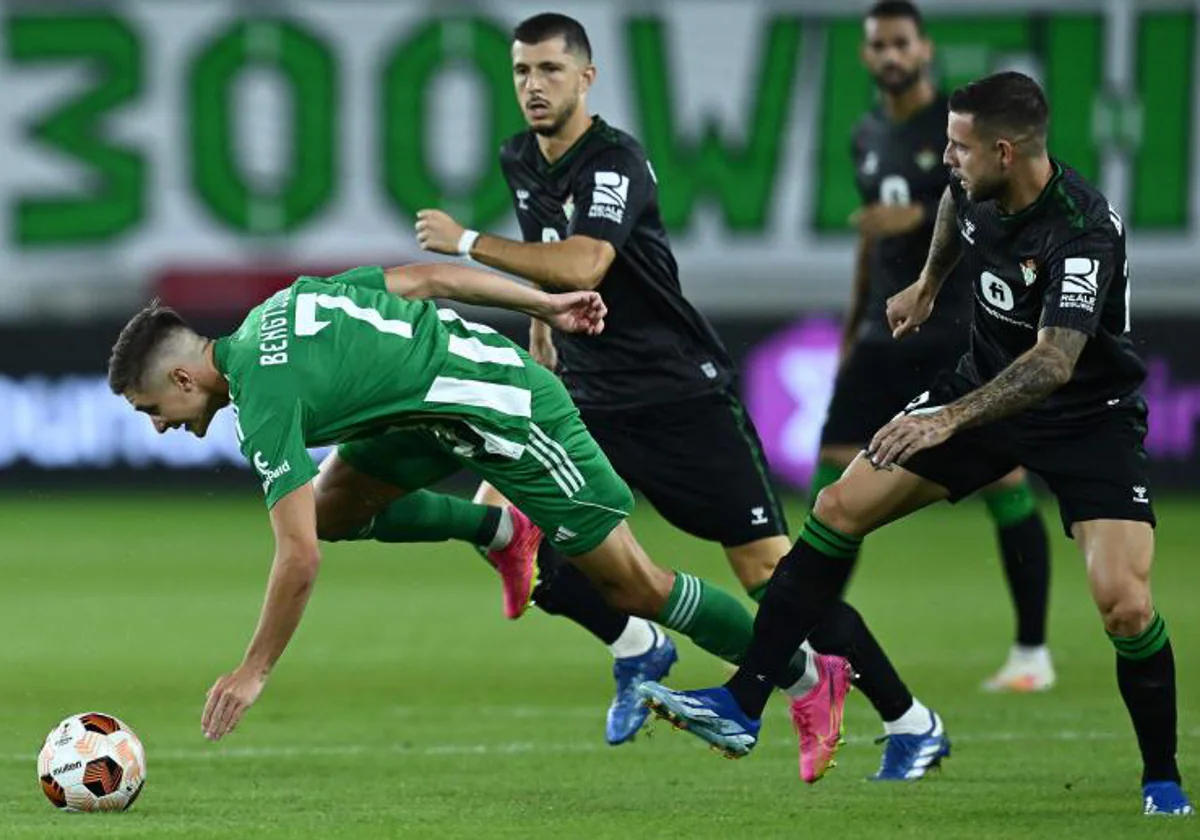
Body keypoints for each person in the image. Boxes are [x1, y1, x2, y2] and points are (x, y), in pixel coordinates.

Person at [637, 71, 1194, 816]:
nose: (946, 158)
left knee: (1123, 607)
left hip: (1086, 418)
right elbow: (951, 206)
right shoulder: (974, 185)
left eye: (960, 147)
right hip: (982, 390)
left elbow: (1054, 362)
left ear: (1005, 150)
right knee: (837, 507)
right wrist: (930, 282)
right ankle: (743, 704)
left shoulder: (1082, 229)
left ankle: (1162, 777)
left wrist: (949, 418)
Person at [410, 11, 945, 782]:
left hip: (678, 397)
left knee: (773, 576)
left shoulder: (615, 161)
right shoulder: (519, 156)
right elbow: (546, 276)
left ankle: (909, 720)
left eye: (550, 71)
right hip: (587, 401)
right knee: (508, 528)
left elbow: (585, 262)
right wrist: (541, 346)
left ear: (586, 78)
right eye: (522, 71)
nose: (533, 85)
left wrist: (465, 243)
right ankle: (635, 645)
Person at [106, 263, 768, 742]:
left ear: (184, 376)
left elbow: (298, 558)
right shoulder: (281, 308)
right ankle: (501, 530)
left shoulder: (261, 402)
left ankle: (795, 674)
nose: (159, 424)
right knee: (335, 509)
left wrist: (253, 671)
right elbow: (427, 280)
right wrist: (540, 304)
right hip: (437, 416)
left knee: (635, 587)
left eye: (151, 409)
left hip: (504, 409)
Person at [824, 0, 1054, 693]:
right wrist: (849, 326)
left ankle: (1031, 652)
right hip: (879, 329)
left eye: (901, 43)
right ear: (867, 55)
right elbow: (871, 238)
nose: (889, 55)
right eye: (878, 45)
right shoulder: (865, 133)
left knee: (1002, 479)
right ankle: (813, 633)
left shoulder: (964, 132)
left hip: (955, 327)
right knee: (833, 483)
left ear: (923, 49)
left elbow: (1000, 205)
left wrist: (918, 216)